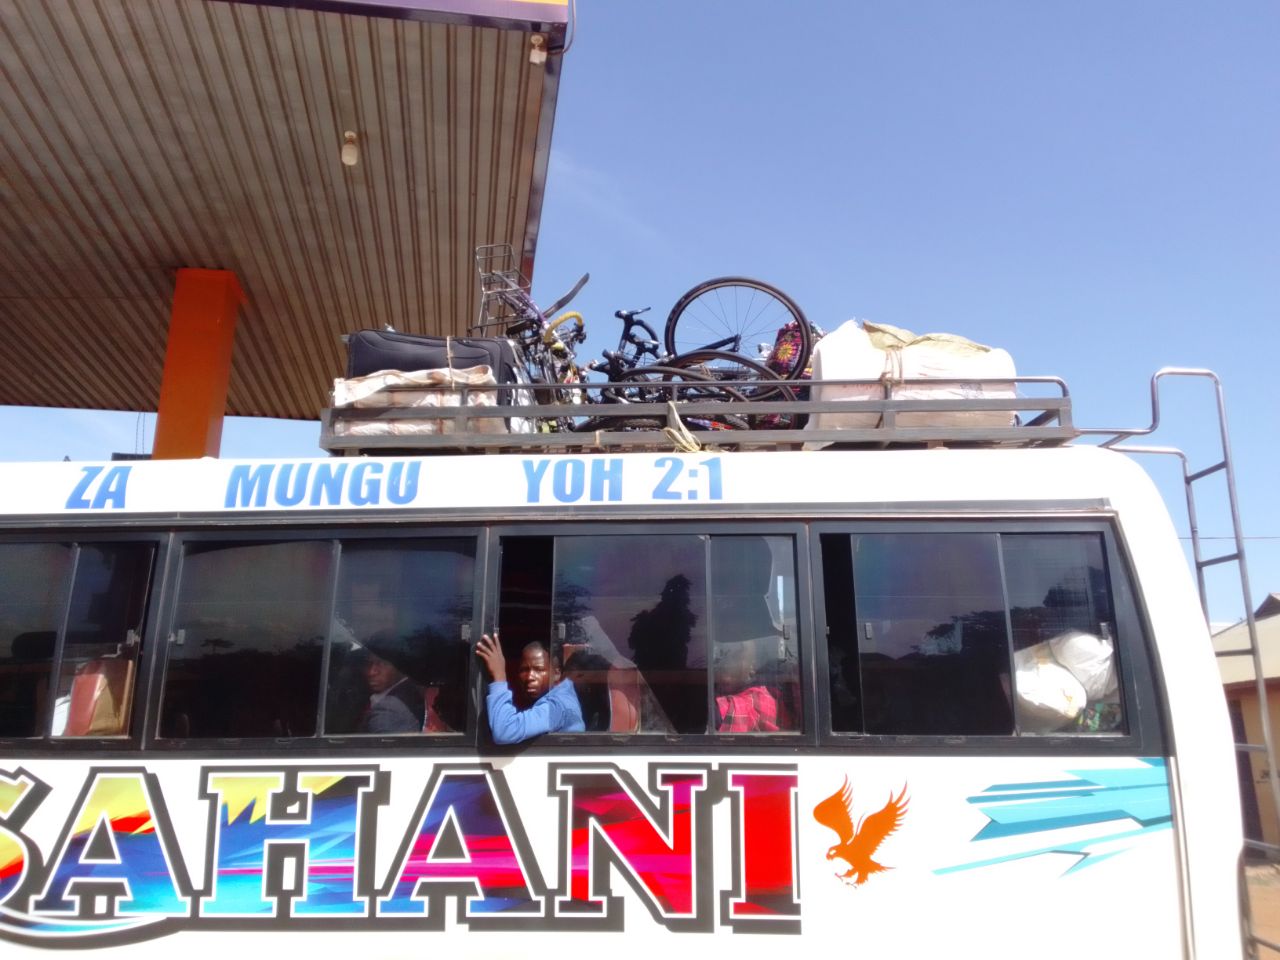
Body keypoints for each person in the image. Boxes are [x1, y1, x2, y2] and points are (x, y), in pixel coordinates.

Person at [475, 632, 584, 743]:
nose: (530, 677)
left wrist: (499, 675)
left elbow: (505, 730)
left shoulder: (557, 705)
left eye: (539, 669)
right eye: (524, 670)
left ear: (556, 674)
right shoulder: (561, 697)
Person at [358, 637, 424, 734]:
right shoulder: (413, 690)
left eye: (382, 663)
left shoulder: (389, 710)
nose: (371, 672)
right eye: (369, 663)